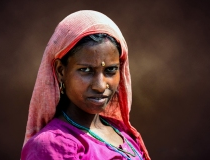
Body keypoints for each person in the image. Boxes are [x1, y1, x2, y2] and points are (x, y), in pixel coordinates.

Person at [21, 10, 151, 160]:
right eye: (86, 70)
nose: (100, 86)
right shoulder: (51, 146)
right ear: (61, 71)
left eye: (110, 70)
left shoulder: (122, 134)